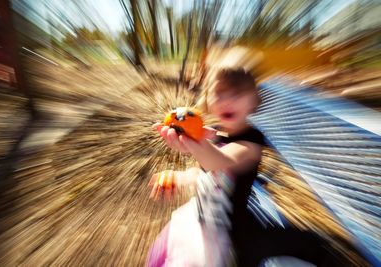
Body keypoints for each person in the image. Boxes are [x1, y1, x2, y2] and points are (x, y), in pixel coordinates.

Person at [146, 49, 342, 267]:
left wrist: (194, 144)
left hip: (234, 235)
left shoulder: (251, 142)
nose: (227, 101)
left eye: (237, 93)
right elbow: (207, 174)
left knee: (310, 246)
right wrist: (179, 176)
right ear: (208, 98)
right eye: (220, 92)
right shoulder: (217, 133)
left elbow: (221, 161)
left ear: (254, 100)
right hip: (204, 221)